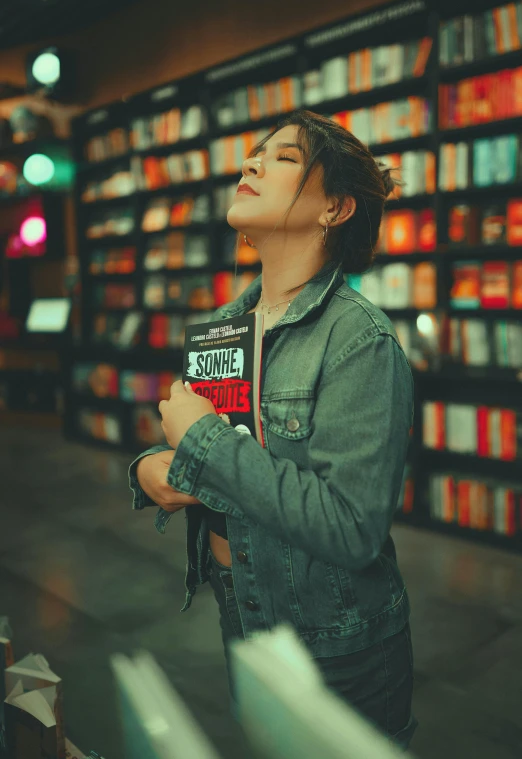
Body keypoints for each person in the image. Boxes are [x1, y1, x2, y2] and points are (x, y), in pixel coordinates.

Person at [129, 109, 417, 750]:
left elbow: (351, 527)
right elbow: (228, 455)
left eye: (284, 158)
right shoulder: (224, 326)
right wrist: (154, 468)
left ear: (334, 210)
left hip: (335, 643)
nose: (250, 163)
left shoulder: (357, 339)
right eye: (255, 154)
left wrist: (200, 443)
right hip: (245, 616)